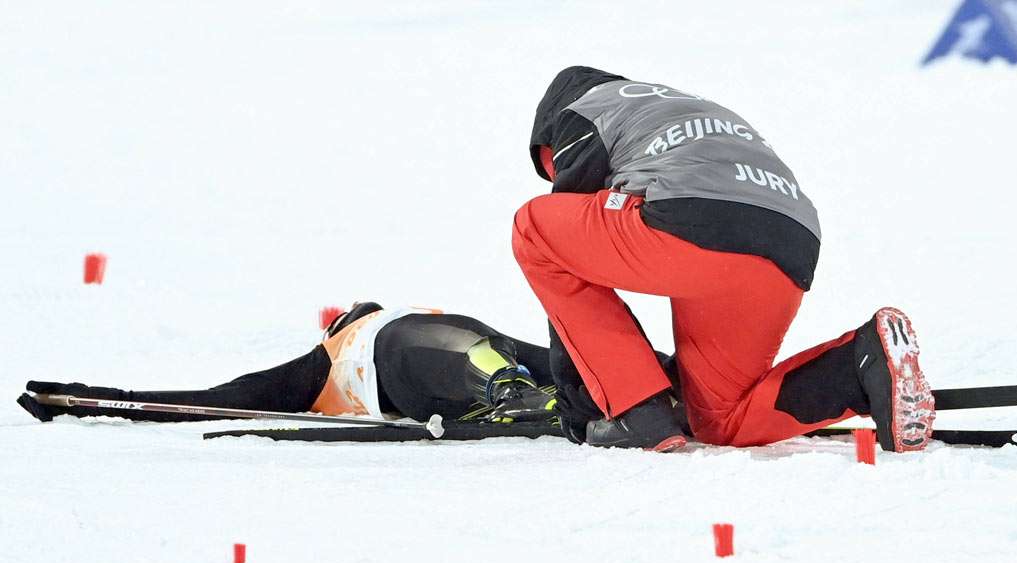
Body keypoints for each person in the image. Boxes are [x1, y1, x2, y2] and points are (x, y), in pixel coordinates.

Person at [513, 66, 936, 452]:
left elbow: (572, 260)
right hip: (788, 242)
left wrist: (579, 403)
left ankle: (635, 410)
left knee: (534, 230)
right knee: (718, 420)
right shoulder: (677, 106)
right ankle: (860, 364)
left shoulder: (583, 111)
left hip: (691, 221)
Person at [17, 303, 556, 425]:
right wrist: (85, 399)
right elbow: (214, 402)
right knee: (440, 345)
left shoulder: (405, 311)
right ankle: (514, 392)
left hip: (473, 348)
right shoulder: (319, 362)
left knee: (561, 361)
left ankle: (550, 390)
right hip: (404, 366)